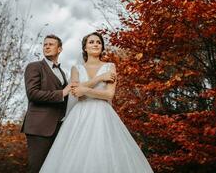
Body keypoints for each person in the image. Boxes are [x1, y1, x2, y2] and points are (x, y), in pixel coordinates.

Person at [39, 32, 154, 173]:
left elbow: (109, 95)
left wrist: (84, 90)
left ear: (102, 47)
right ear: (85, 48)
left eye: (98, 42)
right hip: (79, 116)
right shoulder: (76, 68)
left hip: (104, 115)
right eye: (91, 42)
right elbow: (76, 93)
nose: (95, 44)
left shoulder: (110, 67)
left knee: (104, 153)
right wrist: (100, 78)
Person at [21, 34, 71, 173]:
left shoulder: (62, 72)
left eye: (51, 44)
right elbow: (32, 93)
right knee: (37, 168)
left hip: (59, 128)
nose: (47, 46)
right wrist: (62, 93)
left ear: (60, 49)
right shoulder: (34, 67)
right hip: (39, 128)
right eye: (45, 44)